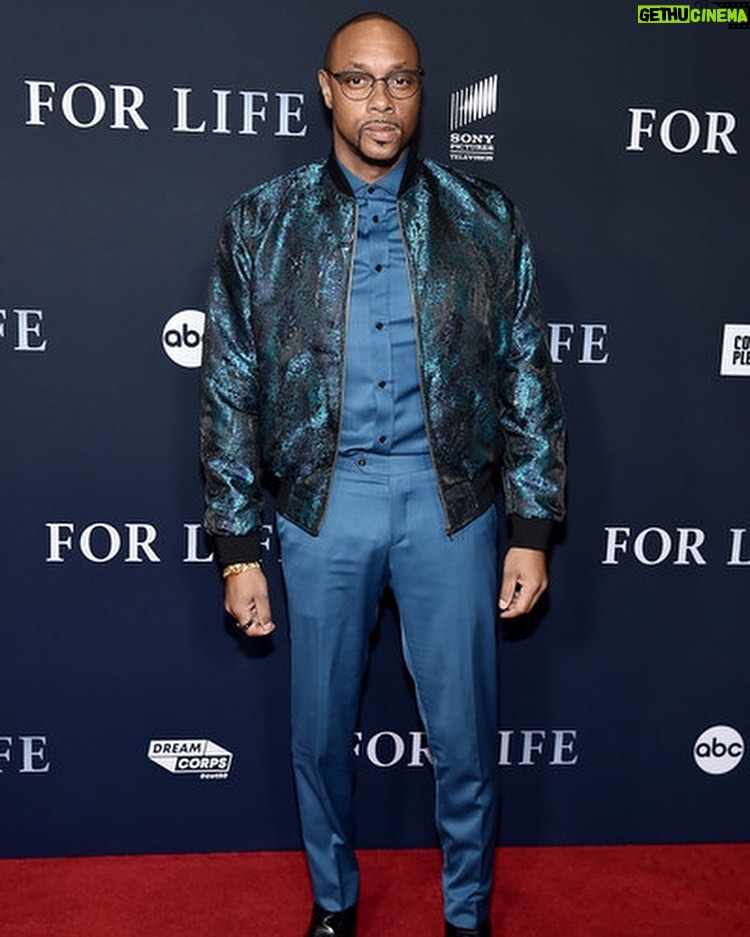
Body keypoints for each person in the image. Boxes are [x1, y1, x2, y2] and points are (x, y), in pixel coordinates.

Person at [200, 12, 565, 937]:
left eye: (399, 80)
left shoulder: (485, 218)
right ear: (325, 89)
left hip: (453, 506)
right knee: (319, 736)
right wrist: (240, 547)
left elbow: (525, 377)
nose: (380, 100)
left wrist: (530, 527)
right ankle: (334, 901)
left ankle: (468, 912)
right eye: (358, 80)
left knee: (467, 737)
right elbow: (231, 388)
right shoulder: (262, 221)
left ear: (421, 90)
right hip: (326, 505)